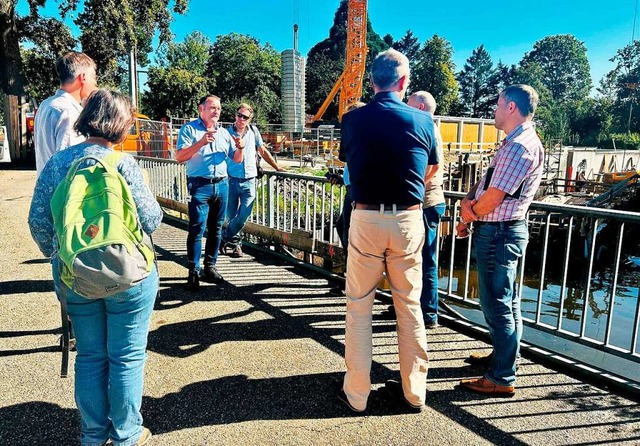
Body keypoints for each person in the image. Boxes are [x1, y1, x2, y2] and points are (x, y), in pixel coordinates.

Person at [28, 89, 162, 446]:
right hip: (129, 275)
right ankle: (127, 435)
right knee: (127, 357)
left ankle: (92, 435)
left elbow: (38, 222)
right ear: (121, 125)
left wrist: (59, 257)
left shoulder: (58, 164)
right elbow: (151, 220)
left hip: (76, 276)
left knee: (89, 356)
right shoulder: (124, 163)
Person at [337, 49, 438, 413]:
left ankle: (357, 394)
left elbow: (350, 162)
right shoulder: (424, 121)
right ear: (403, 81)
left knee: (359, 306)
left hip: (365, 218)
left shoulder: (352, 120)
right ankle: (414, 393)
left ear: (372, 82)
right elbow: (430, 171)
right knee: (409, 306)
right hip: (408, 219)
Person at [457, 84, 544, 396]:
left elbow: (493, 198)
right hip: (500, 230)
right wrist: (469, 202)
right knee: (508, 301)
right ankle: (505, 358)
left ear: (511, 108)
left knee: (497, 304)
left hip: (500, 232)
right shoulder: (515, 144)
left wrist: (469, 214)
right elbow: (486, 184)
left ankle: (501, 377)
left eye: (497, 104)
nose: (493, 109)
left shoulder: (520, 146)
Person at [176, 95, 244, 290]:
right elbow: (180, 156)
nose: (217, 111)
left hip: (222, 185)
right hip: (199, 185)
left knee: (216, 229)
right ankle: (193, 270)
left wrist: (240, 148)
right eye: (213, 107)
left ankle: (210, 267)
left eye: (219, 108)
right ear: (201, 109)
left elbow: (237, 159)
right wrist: (201, 143)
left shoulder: (224, 134)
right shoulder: (189, 129)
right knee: (197, 228)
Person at [222, 103, 284, 257]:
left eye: (245, 117)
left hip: (250, 179)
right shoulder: (226, 133)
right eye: (239, 115)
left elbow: (262, 150)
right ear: (235, 115)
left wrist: (276, 167)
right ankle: (236, 245)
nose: (241, 119)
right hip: (230, 179)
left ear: (249, 119)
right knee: (231, 215)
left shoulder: (254, 131)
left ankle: (223, 237)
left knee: (242, 216)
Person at [407, 91, 445, 329]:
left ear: (420, 107)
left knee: (426, 260)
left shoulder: (428, 127)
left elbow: (433, 165)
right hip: (425, 201)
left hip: (427, 202)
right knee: (412, 259)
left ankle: (429, 314)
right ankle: (413, 307)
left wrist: (412, 183)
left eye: (409, 105)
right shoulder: (427, 127)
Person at [34, 51, 97, 176]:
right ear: (83, 77)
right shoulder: (68, 111)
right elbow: (70, 163)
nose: (95, 83)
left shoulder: (46, 104)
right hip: (65, 192)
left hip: (47, 187)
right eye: (94, 77)